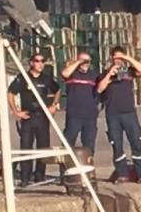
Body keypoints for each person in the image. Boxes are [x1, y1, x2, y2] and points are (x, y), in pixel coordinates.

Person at [97, 46, 141, 183]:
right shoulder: (105, 73)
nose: (118, 61)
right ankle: (122, 174)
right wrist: (110, 73)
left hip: (129, 113)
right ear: (111, 58)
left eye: (120, 58)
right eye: (115, 58)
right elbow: (100, 89)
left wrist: (127, 58)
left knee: (136, 142)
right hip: (113, 114)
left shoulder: (129, 72)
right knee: (117, 145)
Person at [8, 52, 60, 187]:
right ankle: (25, 177)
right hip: (28, 116)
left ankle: (39, 176)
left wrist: (54, 105)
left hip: (42, 117)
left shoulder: (46, 78)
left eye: (43, 61)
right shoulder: (23, 78)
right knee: (26, 147)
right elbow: (10, 93)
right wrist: (16, 111)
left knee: (43, 147)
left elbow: (58, 90)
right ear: (31, 63)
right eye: (37, 61)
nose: (40, 64)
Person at [60, 51, 99, 162]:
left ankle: (89, 170)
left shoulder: (93, 75)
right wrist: (78, 62)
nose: (85, 63)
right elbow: (65, 74)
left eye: (87, 61)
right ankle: (65, 170)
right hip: (74, 115)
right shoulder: (72, 74)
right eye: (83, 60)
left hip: (90, 116)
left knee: (89, 145)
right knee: (68, 142)